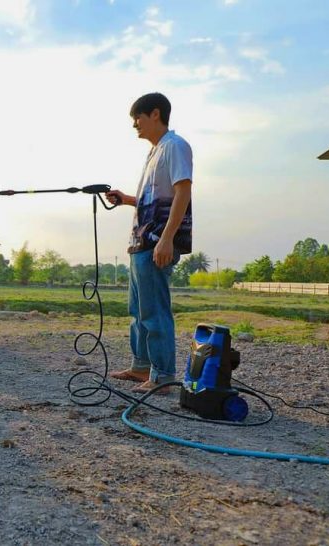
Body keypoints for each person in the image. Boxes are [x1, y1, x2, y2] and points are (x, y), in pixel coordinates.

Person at [105, 92, 193, 394]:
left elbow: (183, 192)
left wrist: (167, 239)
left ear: (155, 114)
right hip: (141, 242)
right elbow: (154, 200)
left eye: (137, 119)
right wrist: (127, 200)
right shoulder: (155, 151)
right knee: (138, 310)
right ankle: (141, 366)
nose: (135, 125)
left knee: (154, 311)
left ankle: (163, 376)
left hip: (156, 243)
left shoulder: (175, 146)